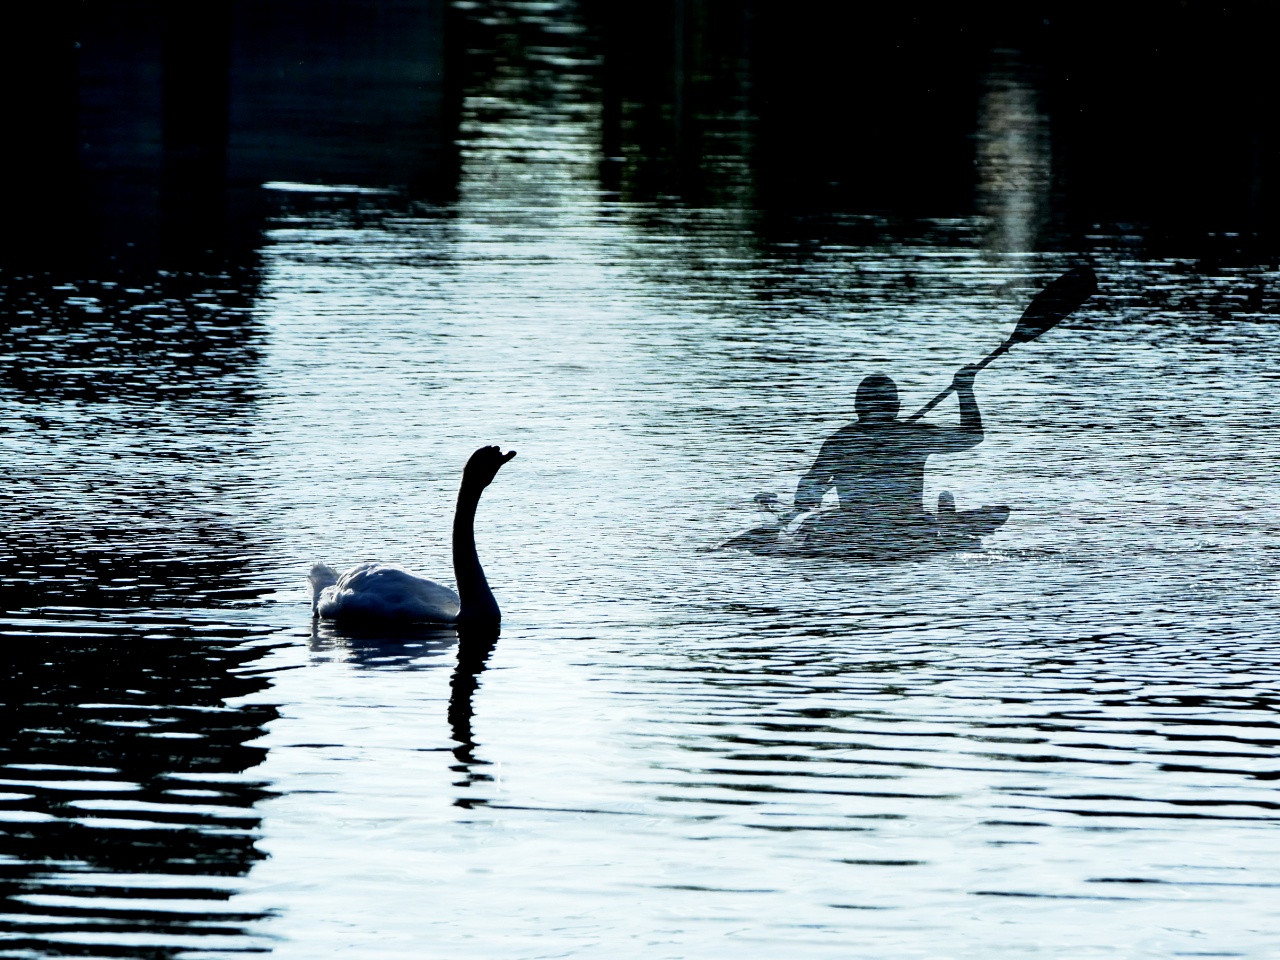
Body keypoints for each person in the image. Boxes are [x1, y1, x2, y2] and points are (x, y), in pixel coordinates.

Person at [792, 364, 984, 550]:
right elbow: (973, 436)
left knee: (815, 524)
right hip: (909, 531)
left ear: (857, 406)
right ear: (897, 407)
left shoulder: (839, 441)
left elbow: (804, 496)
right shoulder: (914, 435)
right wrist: (965, 391)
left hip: (855, 532)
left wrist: (813, 494)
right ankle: (946, 523)